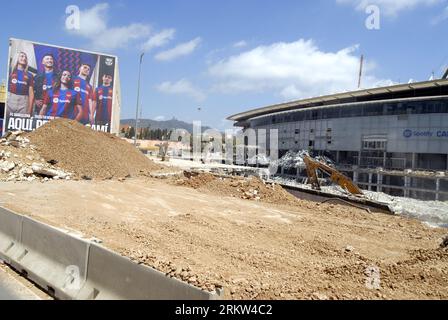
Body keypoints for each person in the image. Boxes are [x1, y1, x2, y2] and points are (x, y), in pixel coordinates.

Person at [7, 52, 34, 116]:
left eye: (25, 57)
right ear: (17, 58)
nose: (24, 58)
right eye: (22, 56)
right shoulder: (10, 71)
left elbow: (31, 93)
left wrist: (29, 110)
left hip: (24, 102)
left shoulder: (30, 75)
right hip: (9, 99)